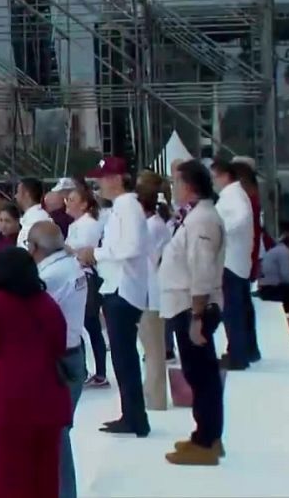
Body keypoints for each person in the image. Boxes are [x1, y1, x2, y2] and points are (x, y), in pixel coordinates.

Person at [0, 247, 72, 498]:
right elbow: (60, 345)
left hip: (5, 407)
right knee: (44, 481)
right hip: (48, 402)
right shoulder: (48, 305)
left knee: (8, 482)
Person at [74, 157, 150, 437]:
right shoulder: (122, 207)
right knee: (122, 357)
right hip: (117, 286)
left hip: (123, 288)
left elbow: (130, 247)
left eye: (103, 179)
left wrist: (96, 253)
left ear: (117, 179)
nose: (99, 185)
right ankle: (130, 414)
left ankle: (135, 417)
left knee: (125, 357)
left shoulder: (128, 207)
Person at [161, 160, 227, 466]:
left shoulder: (203, 220)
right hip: (186, 304)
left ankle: (207, 440)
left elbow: (202, 268)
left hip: (193, 306)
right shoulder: (196, 216)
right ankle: (206, 434)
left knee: (201, 376)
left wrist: (198, 317)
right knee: (199, 373)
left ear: (189, 185)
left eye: (177, 182)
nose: (173, 188)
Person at [27, 222, 88, 498]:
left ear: (35, 247)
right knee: (56, 433)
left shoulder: (49, 276)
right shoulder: (71, 266)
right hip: (73, 352)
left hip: (58, 360)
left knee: (55, 436)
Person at [213, 161, 261, 369]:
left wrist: (221, 231)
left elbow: (239, 218)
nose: (213, 182)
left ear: (224, 176)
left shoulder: (233, 196)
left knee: (233, 311)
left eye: (214, 177)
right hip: (236, 259)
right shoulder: (235, 194)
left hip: (231, 260)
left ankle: (238, 354)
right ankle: (246, 350)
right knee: (240, 308)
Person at [64, 182, 109, 388]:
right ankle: (84, 370)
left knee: (89, 325)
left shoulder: (89, 224)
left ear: (83, 205)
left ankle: (99, 372)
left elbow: (85, 253)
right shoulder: (76, 225)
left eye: (72, 200)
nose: (68, 203)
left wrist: (67, 249)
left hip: (87, 277)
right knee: (81, 325)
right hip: (76, 275)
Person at [135, 171, 171, 412]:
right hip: (148, 291)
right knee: (151, 347)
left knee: (154, 349)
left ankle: (156, 398)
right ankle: (152, 393)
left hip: (152, 292)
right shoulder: (154, 225)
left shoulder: (151, 227)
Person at [259, 231, 289, 335]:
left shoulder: (276, 250)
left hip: (266, 287)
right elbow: (286, 277)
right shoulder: (285, 252)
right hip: (272, 289)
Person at [15, 177, 51, 252]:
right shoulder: (33, 217)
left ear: (26, 194)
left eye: (17, 192)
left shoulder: (36, 220)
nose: (16, 196)